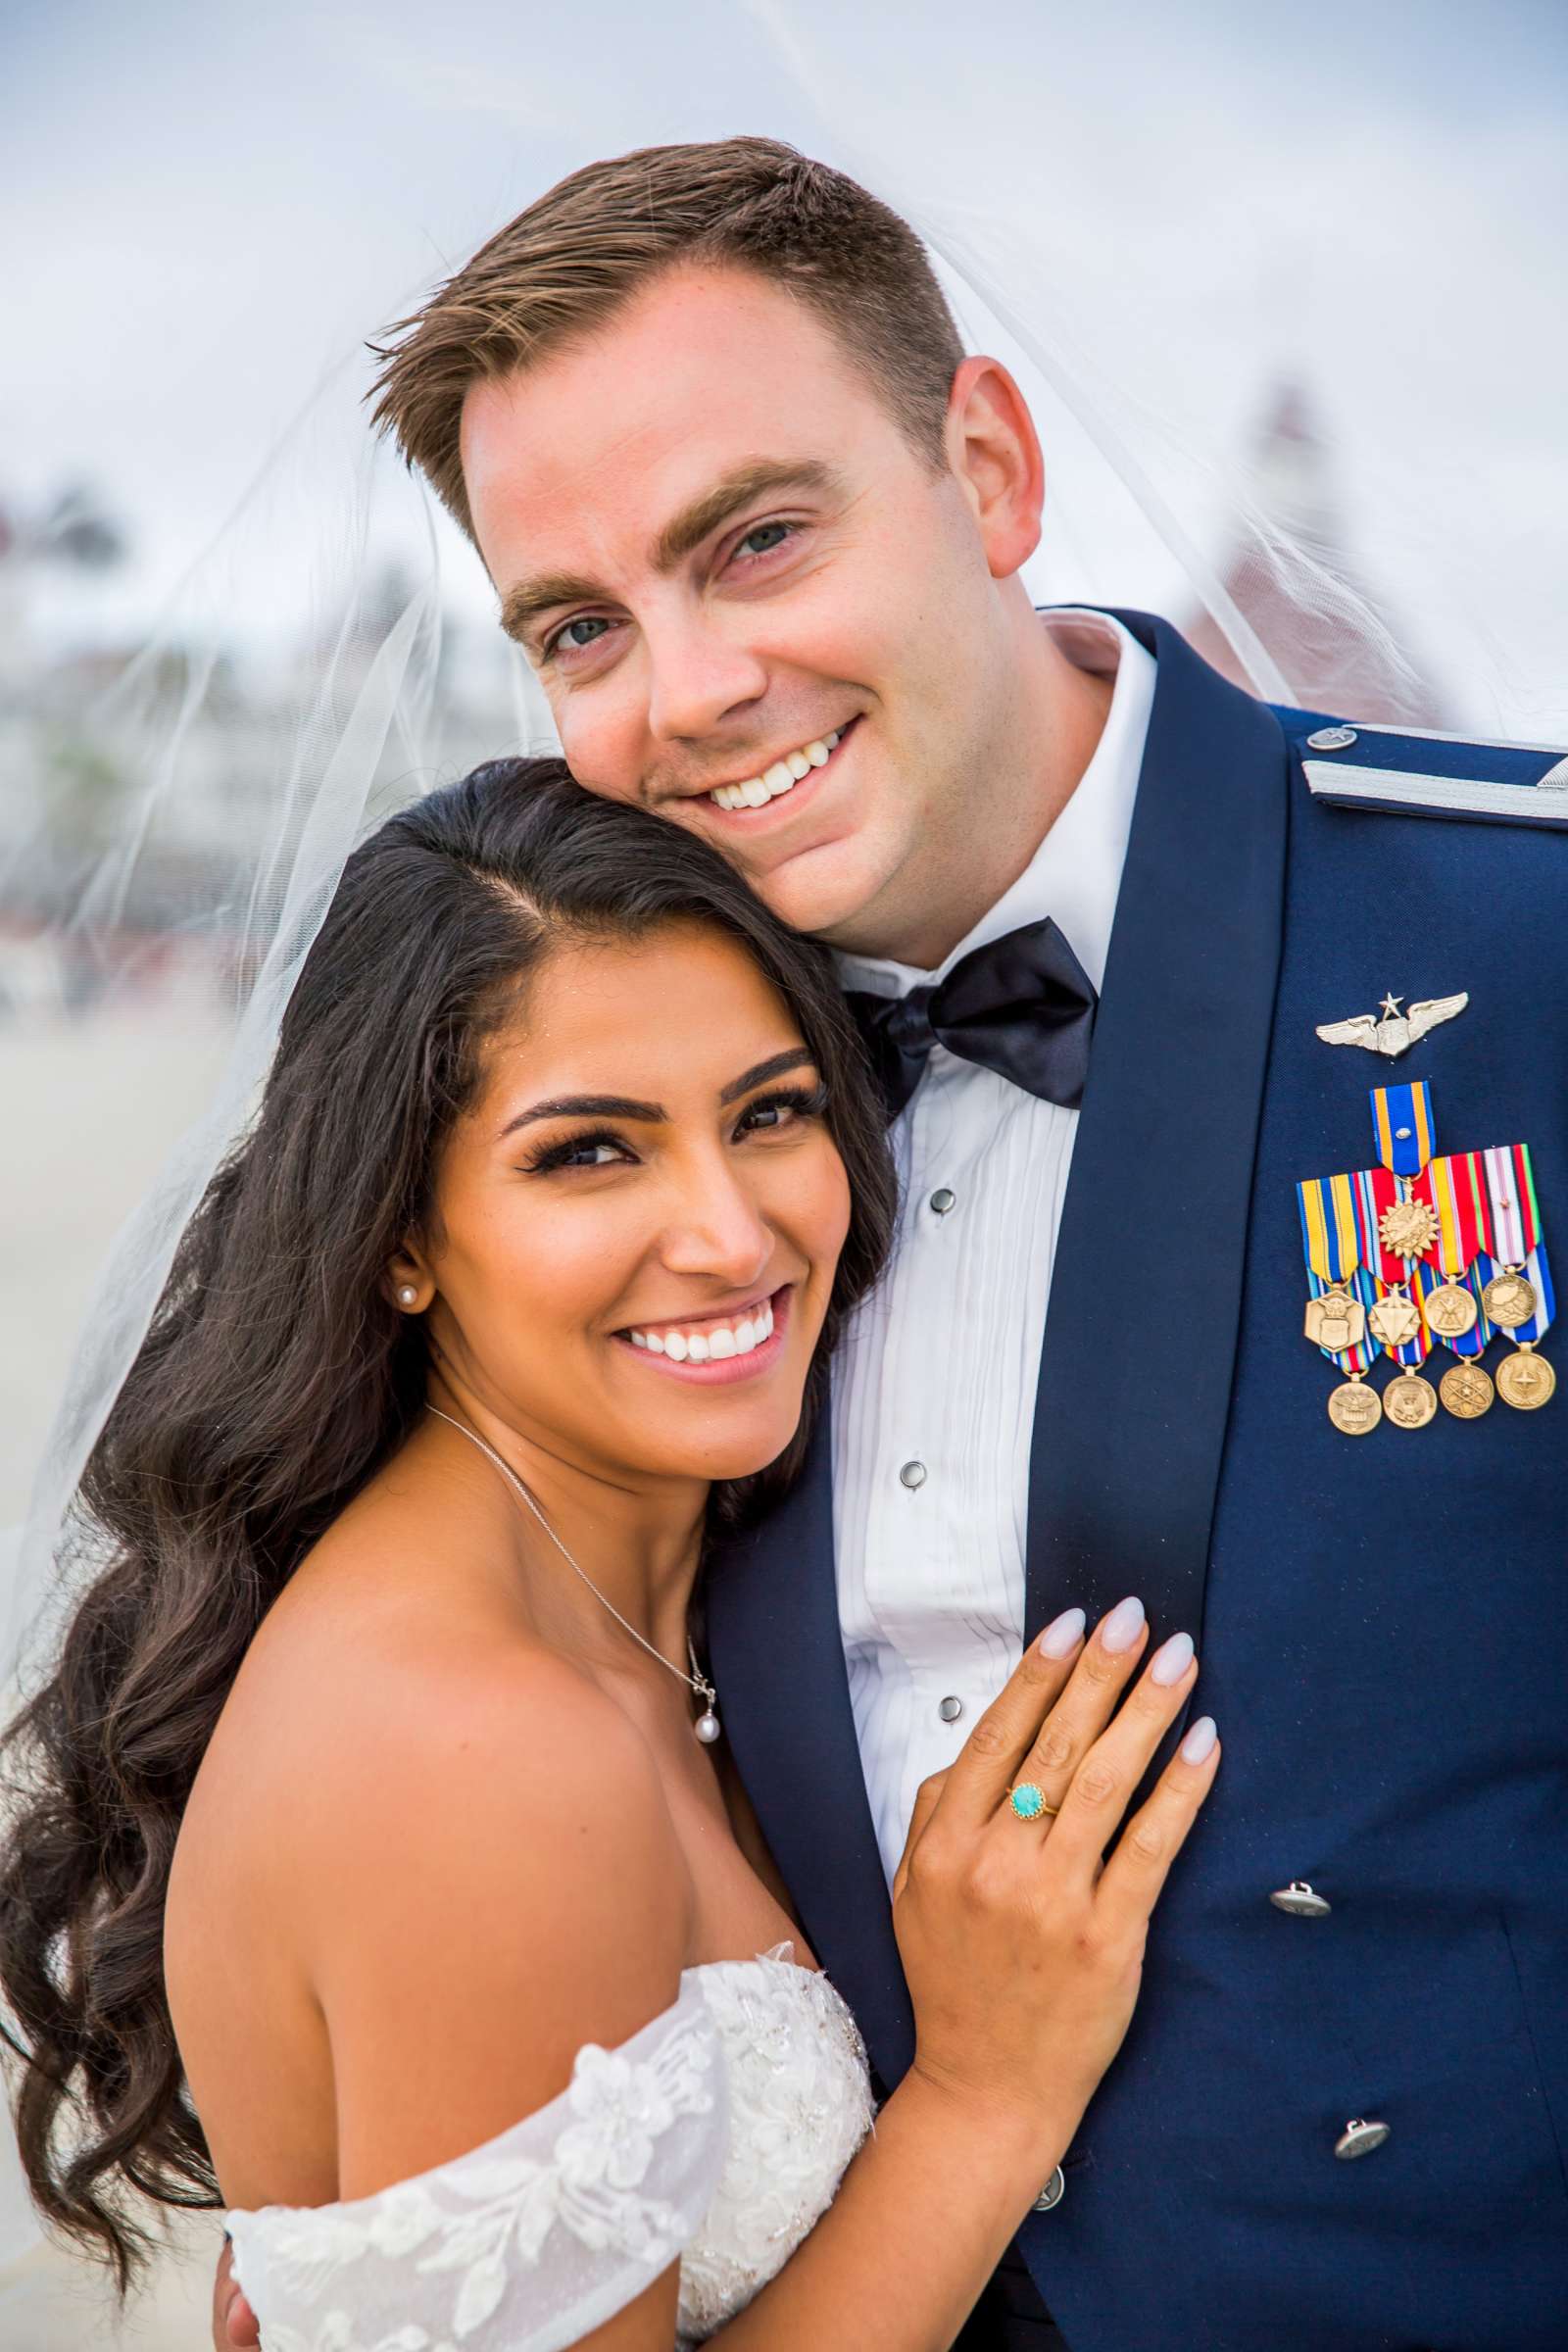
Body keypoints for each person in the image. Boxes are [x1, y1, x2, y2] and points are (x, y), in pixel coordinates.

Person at [273, 134, 1558, 2351]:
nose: (680, 693)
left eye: (754, 538)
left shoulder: (1518, 944)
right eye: (579, 626)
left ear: (982, 464)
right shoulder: (563, 1141)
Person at [0, 762, 1219, 2352]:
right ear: (398, 1237)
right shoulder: (479, 1756)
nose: (730, 1233)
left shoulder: (677, 1595)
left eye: (771, 1113)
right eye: (590, 1153)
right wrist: (987, 2099)